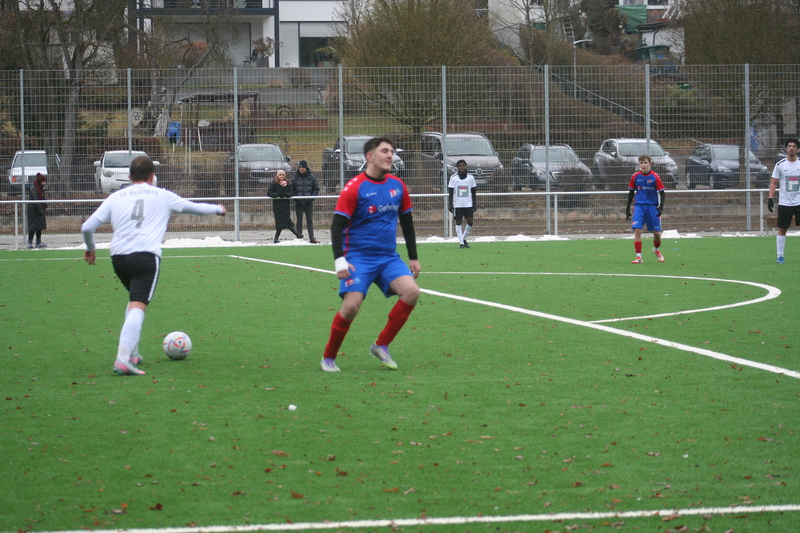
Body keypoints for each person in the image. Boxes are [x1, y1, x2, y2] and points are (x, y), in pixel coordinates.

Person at [81, 155, 226, 376]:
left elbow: (87, 227)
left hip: (119, 258)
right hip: (145, 257)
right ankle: (122, 359)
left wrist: (90, 247)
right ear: (152, 177)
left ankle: (132, 354)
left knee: (134, 301)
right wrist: (218, 208)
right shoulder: (162, 195)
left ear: (130, 177)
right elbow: (195, 208)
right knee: (138, 306)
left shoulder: (115, 197)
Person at [321, 136, 421, 372]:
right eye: (385, 151)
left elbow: (407, 222)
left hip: (387, 258)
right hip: (358, 258)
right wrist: (339, 259)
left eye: (392, 151)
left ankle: (381, 345)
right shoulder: (354, 187)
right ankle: (328, 357)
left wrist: (413, 256)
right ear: (370, 156)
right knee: (351, 306)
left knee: (412, 292)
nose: (390, 155)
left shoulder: (398, 185)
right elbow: (337, 225)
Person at [625, 154, 665, 264]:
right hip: (639, 206)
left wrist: (660, 207)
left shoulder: (655, 176)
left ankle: (656, 249)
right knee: (637, 230)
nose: (643, 165)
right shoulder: (635, 176)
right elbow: (631, 193)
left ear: (650, 164)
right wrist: (627, 209)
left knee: (656, 233)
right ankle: (639, 257)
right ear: (639, 164)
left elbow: (662, 193)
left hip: (652, 206)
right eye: (641, 163)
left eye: (645, 163)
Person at [768, 138, 800, 264]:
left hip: (799, 202)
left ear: (798, 149)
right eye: (789, 146)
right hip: (785, 203)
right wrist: (770, 198)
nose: (791, 148)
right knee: (782, 228)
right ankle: (780, 256)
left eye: (794, 146)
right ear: (786, 149)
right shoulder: (780, 164)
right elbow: (774, 182)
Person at [447, 160, 477, 248]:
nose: (462, 167)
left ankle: (463, 238)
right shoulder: (453, 178)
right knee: (458, 222)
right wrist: (450, 204)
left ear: (466, 166)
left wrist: (474, 203)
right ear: (457, 167)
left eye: (463, 165)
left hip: (468, 204)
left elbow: (473, 191)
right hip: (458, 204)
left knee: (470, 222)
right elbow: (451, 192)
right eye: (460, 165)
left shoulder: (471, 177)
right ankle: (461, 243)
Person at [291, 160, 320, 244]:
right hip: (298, 203)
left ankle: (312, 238)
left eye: (303, 167)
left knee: (309, 220)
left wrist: (311, 198)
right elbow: (292, 190)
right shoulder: (295, 178)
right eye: (300, 167)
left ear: (306, 168)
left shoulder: (312, 177)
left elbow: (316, 189)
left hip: (308, 202)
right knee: (299, 220)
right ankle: (299, 237)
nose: (301, 169)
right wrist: (297, 199)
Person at [268, 170, 301, 243]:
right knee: (280, 222)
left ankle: (297, 235)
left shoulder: (287, 184)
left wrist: (285, 194)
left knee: (287, 221)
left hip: (286, 206)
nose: (281, 176)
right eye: (280, 175)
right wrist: (278, 194)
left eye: (283, 175)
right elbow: (269, 193)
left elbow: (292, 193)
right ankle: (297, 234)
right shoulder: (274, 184)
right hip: (278, 206)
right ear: (277, 176)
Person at [27, 173, 48, 249]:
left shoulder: (40, 189)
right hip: (33, 212)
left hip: (39, 211)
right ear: (40, 181)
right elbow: (36, 201)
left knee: (39, 227)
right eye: (43, 182)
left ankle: (38, 242)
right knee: (32, 228)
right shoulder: (34, 189)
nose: (44, 183)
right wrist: (41, 210)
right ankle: (29, 242)